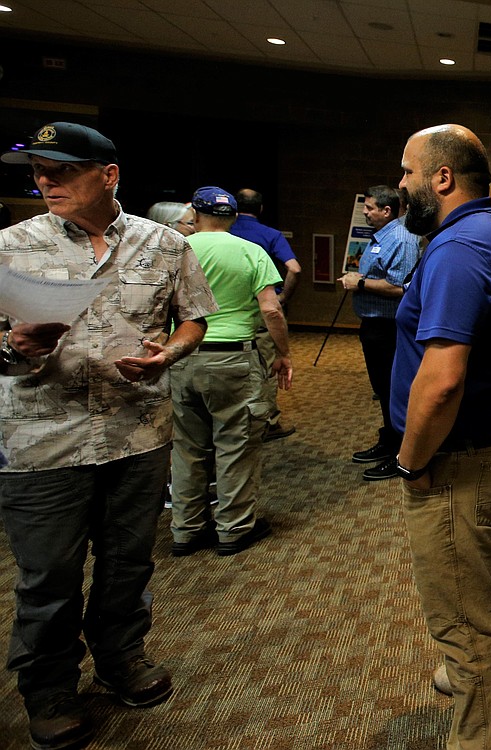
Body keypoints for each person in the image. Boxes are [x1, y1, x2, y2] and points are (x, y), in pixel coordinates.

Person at [0, 121, 217, 750]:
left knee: (126, 564)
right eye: (39, 170)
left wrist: (169, 354)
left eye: (62, 169)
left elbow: (195, 318)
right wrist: (11, 345)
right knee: (48, 578)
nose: (45, 180)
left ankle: (121, 657)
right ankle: (49, 688)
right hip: (43, 444)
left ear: (108, 175)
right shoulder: (11, 246)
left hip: (138, 435)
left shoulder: (165, 244)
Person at [391, 124, 491, 750]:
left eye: (407, 172)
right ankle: (469, 678)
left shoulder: (460, 248)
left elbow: (442, 381)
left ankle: (475, 737)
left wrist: (410, 462)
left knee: (468, 620)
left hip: (457, 461)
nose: (400, 185)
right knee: (468, 584)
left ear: (441, 178)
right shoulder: (479, 234)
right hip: (475, 450)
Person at [169, 186, 292, 559]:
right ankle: (234, 528)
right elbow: (271, 310)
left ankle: (186, 530)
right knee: (235, 443)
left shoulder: (178, 250)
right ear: (234, 217)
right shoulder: (251, 252)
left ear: (196, 214)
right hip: (233, 359)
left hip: (183, 355)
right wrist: (283, 354)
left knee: (187, 447)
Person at [339, 185, 419, 481]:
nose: (365, 212)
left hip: (389, 329)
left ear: (387, 211)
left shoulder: (401, 238)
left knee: (394, 392)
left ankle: (400, 453)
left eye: (370, 208)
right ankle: (388, 442)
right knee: (383, 391)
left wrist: (358, 283)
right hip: (374, 326)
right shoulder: (383, 236)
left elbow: (401, 288)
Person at [230, 188, 300, 442]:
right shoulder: (270, 235)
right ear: (260, 209)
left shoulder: (224, 233)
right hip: (262, 309)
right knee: (269, 366)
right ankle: (268, 422)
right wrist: (282, 298)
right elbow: (294, 268)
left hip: (228, 312)